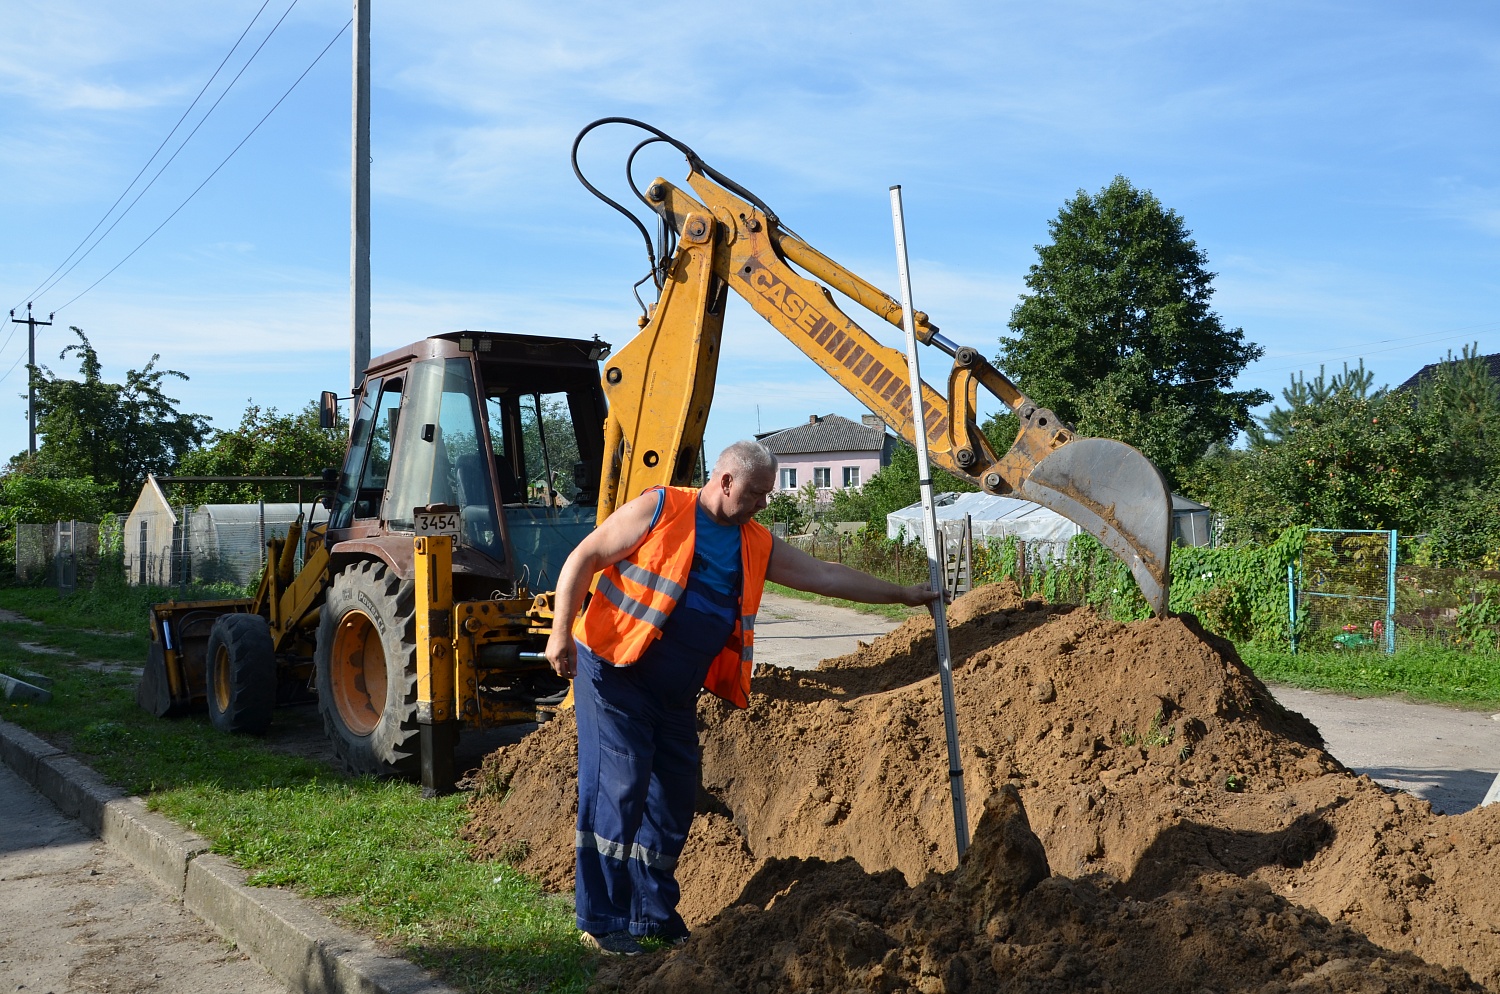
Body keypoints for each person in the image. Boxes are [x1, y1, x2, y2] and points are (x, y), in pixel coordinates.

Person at [546, 439, 941, 956]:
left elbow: (826, 576)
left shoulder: (754, 541)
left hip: (675, 691)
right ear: (725, 480)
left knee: (674, 801)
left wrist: (903, 594)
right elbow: (585, 557)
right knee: (620, 787)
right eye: (755, 492)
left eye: (766, 495)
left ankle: (651, 917)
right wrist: (558, 634)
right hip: (616, 670)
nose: (762, 503)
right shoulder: (661, 507)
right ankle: (603, 922)